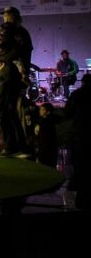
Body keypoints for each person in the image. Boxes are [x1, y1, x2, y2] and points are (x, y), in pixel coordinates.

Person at [0, 6, 33, 156]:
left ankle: (10, 146)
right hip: (12, 73)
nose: (4, 17)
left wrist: (1, 59)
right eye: (4, 14)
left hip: (10, 74)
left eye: (6, 14)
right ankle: (20, 146)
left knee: (0, 109)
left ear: (12, 16)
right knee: (10, 110)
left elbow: (16, 52)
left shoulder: (13, 31)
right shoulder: (20, 32)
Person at [64, 74, 91, 209]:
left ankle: (73, 203)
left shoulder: (77, 94)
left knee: (76, 167)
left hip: (79, 134)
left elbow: (67, 112)